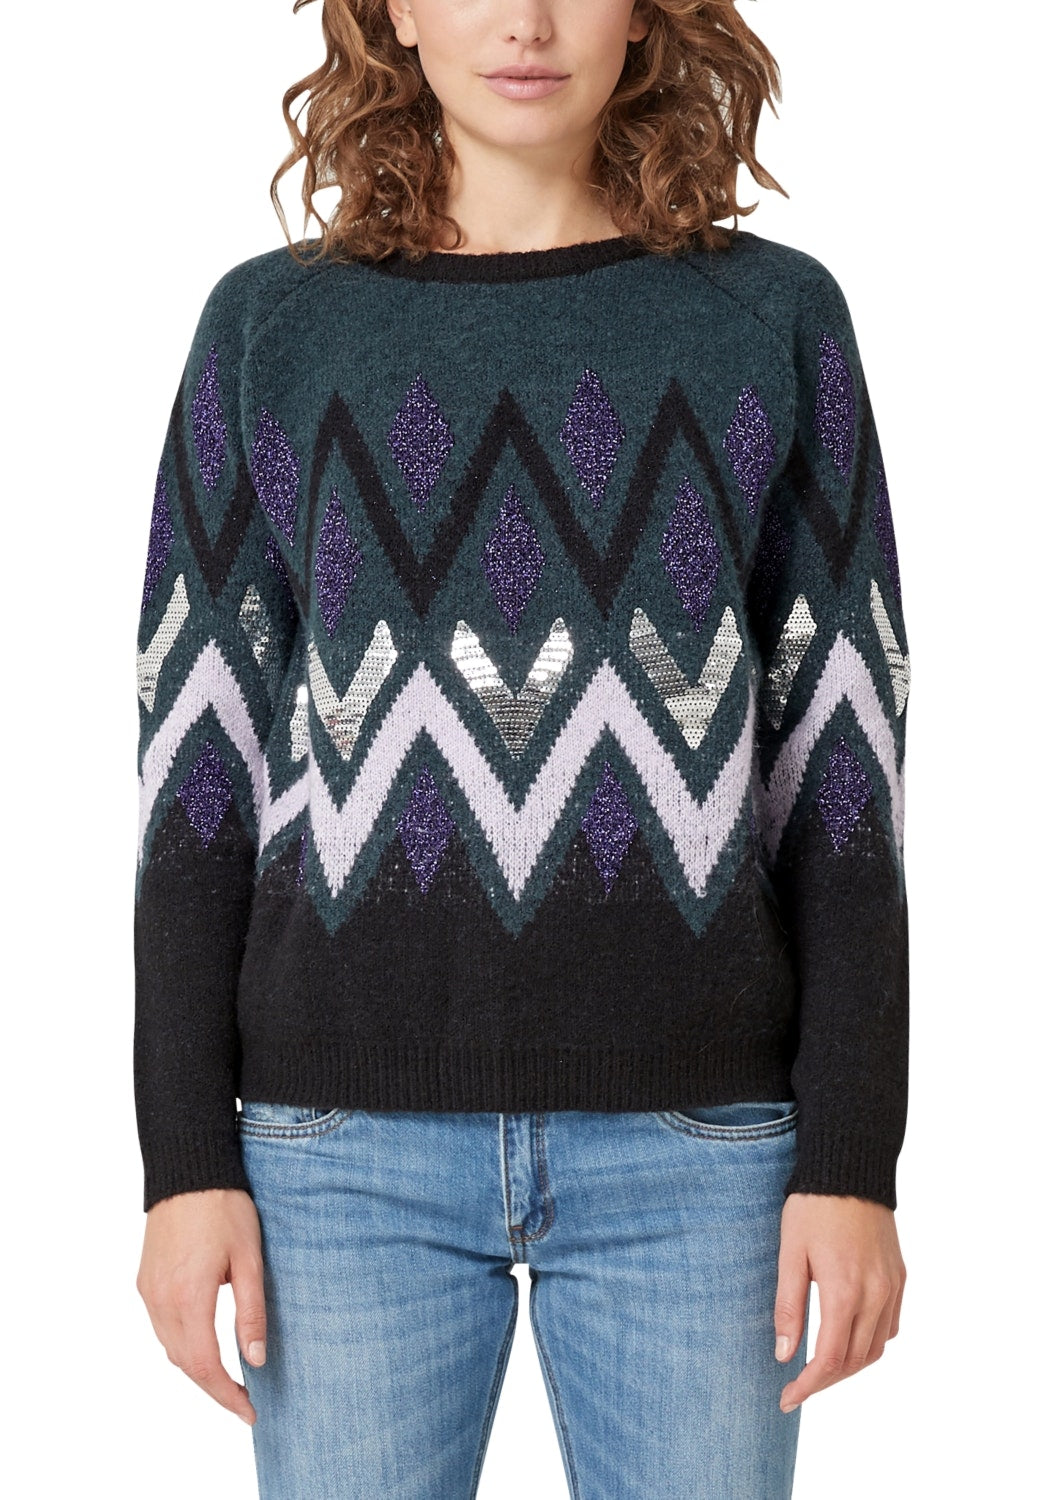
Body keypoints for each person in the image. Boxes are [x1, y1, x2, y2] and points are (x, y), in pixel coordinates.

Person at [133, 2, 911, 1495]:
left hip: (701, 1148)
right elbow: (197, 774)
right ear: (393, 12)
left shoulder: (770, 320)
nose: (528, 22)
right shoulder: (272, 329)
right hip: (336, 1155)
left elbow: (845, 775)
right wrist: (184, 1164)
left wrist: (852, 1160)